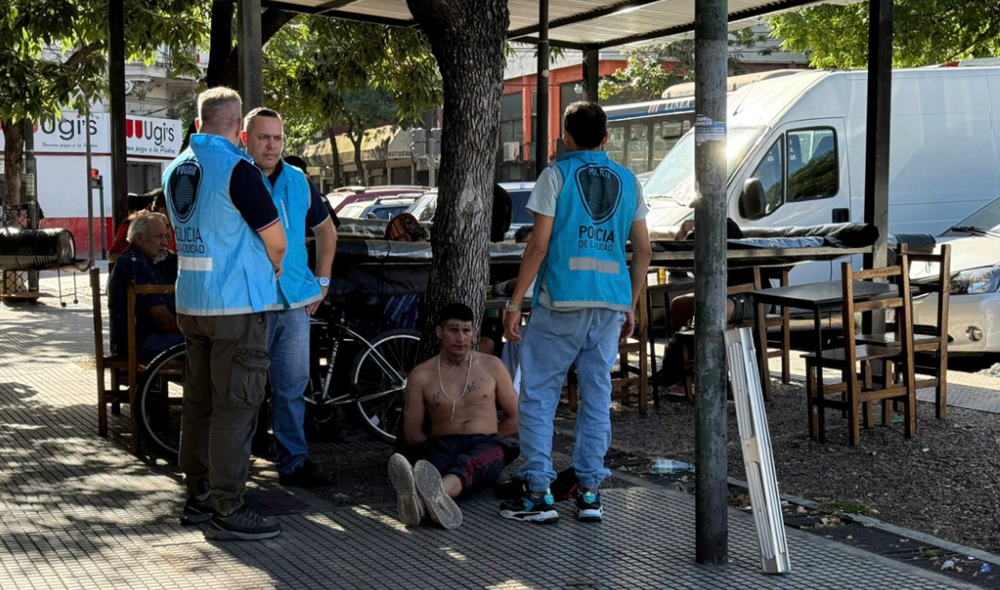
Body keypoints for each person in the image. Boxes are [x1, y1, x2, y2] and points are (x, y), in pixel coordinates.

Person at [500, 101, 652, 524]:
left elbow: (538, 246)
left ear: (565, 137)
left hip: (561, 302)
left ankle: (538, 493)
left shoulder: (556, 176)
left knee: (539, 396)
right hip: (609, 304)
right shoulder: (629, 181)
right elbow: (643, 251)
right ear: (607, 137)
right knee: (596, 396)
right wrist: (629, 304)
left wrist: (515, 301)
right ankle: (589, 493)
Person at [162, 87, 288, 541]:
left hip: (192, 303)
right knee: (235, 407)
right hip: (235, 306)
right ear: (239, 129)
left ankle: (197, 497)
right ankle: (228, 506)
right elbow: (276, 241)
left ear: (198, 125)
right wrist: (274, 265)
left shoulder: (177, 167)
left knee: (199, 404)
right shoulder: (238, 169)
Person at [241, 107, 339, 487]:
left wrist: (323, 281)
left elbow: (327, 232)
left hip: (296, 301)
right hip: (251, 301)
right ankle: (237, 469)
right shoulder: (237, 176)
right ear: (246, 138)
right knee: (246, 391)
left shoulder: (298, 180)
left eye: (278, 138)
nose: (272, 145)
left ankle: (293, 464)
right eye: (263, 137)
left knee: (291, 390)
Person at [387, 303, 519, 529]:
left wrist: (491, 436)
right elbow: (412, 434)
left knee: (469, 463)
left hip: (487, 442)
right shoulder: (422, 375)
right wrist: (433, 448)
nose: (460, 338)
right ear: (440, 332)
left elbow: (516, 417)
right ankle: (424, 499)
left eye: (466, 330)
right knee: (433, 465)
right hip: (444, 444)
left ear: (474, 333)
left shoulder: (492, 366)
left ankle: (424, 496)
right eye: (453, 330)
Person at [653, 217, 759, 390]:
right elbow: (674, 266)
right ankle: (675, 367)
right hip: (716, 296)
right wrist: (682, 232)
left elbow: (746, 268)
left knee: (714, 310)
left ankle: (713, 376)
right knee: (678, 305)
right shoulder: (696, 234)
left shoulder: (725, 226)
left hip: (749, 295)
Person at [106, 213, 183, 359]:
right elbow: (163, 319)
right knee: (201, 343)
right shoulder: (136, 263)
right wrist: (192, 331)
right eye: (158, 236)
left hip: (144, 338)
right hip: (141, 342)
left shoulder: (148, 260)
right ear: (139, 239)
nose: (165, 242)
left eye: (165, 236)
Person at [109, 189, 176, 263]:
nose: (165, 241)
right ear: (163, 211)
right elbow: (115, 256)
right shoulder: (135, 223)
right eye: (159, 235)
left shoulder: (173, 222)